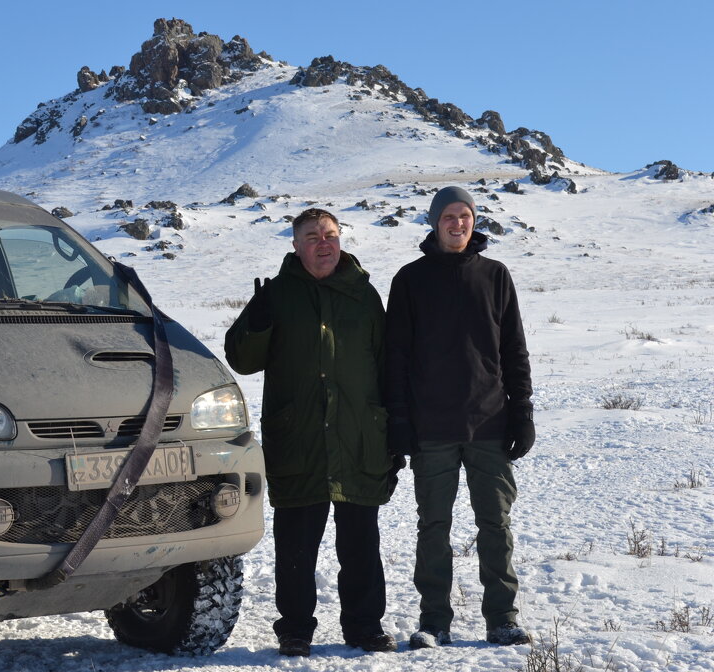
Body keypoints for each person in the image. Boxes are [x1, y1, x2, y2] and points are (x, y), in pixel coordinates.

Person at [225, 207, 397, 656]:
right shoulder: (278, 294)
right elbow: (242, 360)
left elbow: (386, 365)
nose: (324, 243)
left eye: (331, 234)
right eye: (312, 236)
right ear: (295, 244)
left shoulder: (364, 295)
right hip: (297, 438)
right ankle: (295, 630)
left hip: (358, 436)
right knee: (297, 545)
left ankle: (364, 626)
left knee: (361, 543)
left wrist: (393, 432)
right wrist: (257, 322)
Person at [384, 186, 535, 649]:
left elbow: (513, 349)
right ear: (434, 222)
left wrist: (522, 410)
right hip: (433, 428)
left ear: (474, 221)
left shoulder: (494, 275)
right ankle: (434, 621)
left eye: (464, 215)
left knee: (496, 524)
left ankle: (502, 619)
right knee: (434, 526)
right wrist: (400, 421)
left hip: (490, 421)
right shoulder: (410, 279)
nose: (457, 223)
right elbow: (395, 358)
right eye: (448, 215)